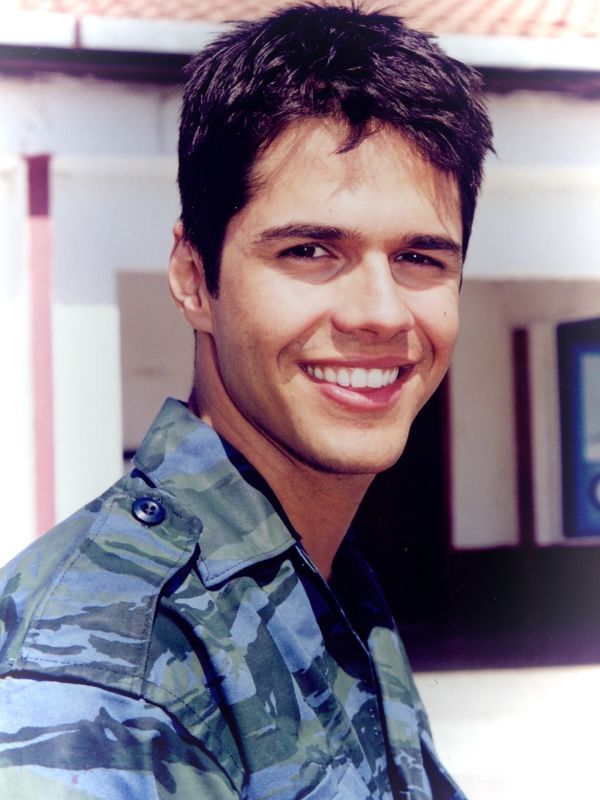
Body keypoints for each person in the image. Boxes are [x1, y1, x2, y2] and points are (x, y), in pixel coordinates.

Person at [0, 3, 493, 798]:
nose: (380, 313)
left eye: (420, 258)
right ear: (195, 279)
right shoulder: (105, 676)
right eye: (310, 250)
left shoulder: (326, 581)